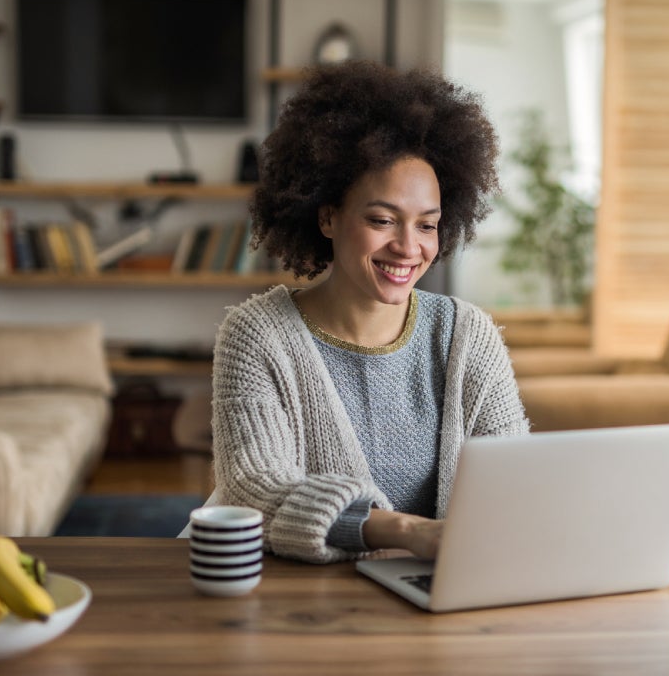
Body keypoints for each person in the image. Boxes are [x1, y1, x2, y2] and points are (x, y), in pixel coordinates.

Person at [205, 60, 530, 564]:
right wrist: (404, 530)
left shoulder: (468, 335)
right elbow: (254, 490)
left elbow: (514, 480)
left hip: (439, 596)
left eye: (427, 225)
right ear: (328, 215)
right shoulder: (257, 335)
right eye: (382, 220)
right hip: (307, 603)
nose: (407, 247)